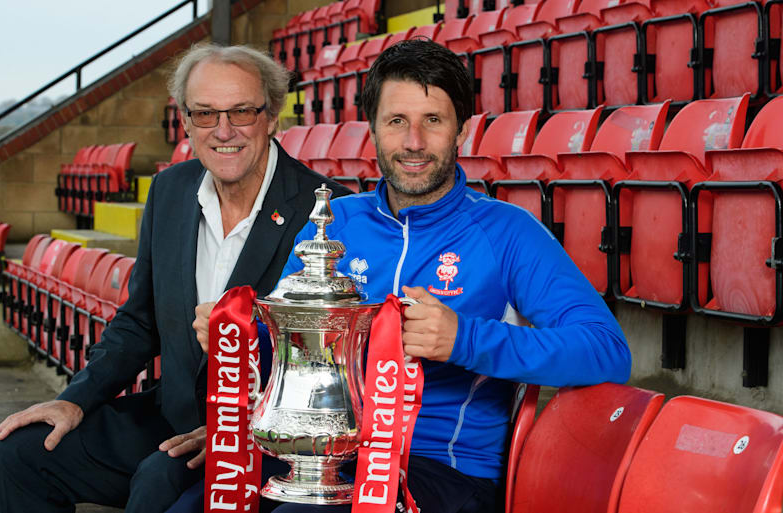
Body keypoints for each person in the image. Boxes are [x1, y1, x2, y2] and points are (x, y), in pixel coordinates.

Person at [184, 39, 632, 513]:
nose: (414, 141)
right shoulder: (335, 223)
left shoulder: (508, 232)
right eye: (397, 121)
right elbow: (288, 354)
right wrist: (240, 336)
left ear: (461, 130)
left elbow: (607, 351)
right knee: (170, 488)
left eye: (432, 120)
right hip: (326, 452)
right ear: (373, 130)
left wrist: (465, 339)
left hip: (440, 469)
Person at [0, 43, 350, 513]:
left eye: (241, 111)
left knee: (160, 482)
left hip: (268, 439)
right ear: (185, 121)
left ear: (272, 116)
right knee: (21, 452)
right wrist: (75, 399)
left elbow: (331, 365)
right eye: (205, 114)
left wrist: (236, 431)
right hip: (170, 418)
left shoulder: (330, 211)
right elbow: (138, 322)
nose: (223, 131)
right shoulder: (169, 189)